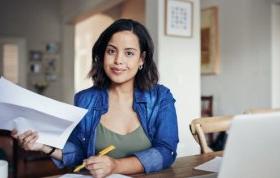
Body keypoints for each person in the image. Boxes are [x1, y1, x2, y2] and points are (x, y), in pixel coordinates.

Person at [11, 19, 179, 178]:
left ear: (141, 59)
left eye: (129, 53)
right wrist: (43, 146)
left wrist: (116, 166)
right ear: (102, 55)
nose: (118, 60)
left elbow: (166, 151)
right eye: (111, 51)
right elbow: (79, 152)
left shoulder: (161, 97)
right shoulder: (85, 99)